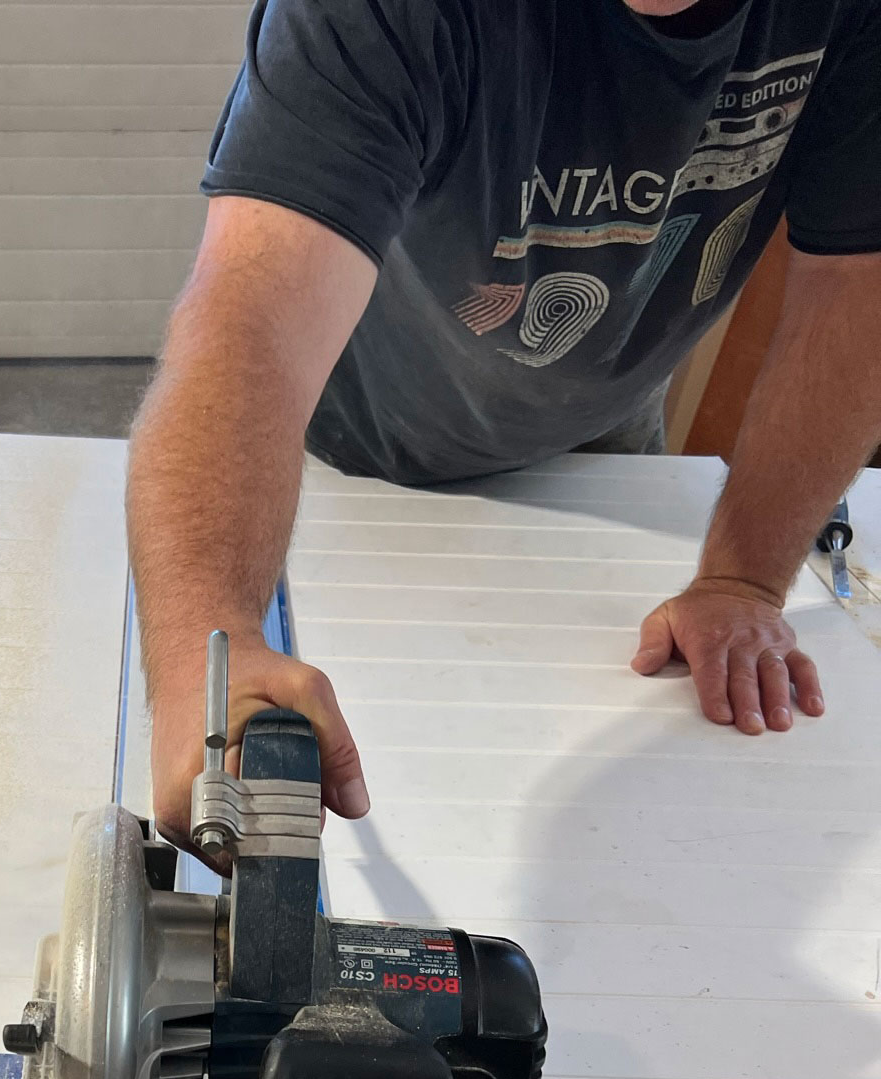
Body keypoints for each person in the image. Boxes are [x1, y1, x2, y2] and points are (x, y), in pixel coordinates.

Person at [126, 0, 881, 846]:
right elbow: (255, 309)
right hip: (347, 450)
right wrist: (209, 644)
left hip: (598, 438)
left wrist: (743, 580)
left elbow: (859, 284)